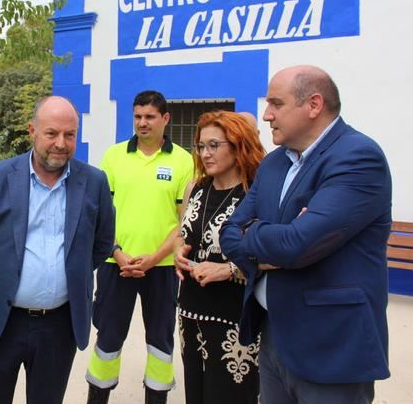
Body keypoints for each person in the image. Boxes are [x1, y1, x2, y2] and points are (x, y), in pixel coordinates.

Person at [220, 65, 392, 404]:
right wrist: (278, 240)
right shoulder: (274, 164)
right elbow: (229, 233)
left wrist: (260, 234)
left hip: (330, 346)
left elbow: (296, 245)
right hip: (272, 336)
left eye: (276, 103)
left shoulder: (357, 157)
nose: (266, 115)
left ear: (313, 105)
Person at [0, 95, 115, 404]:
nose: (61, 143)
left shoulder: (94, 182)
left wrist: (67, 275)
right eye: (52, 133)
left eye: (69, 134)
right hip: (1, 322)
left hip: (58, 327)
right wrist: (3, 274)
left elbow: (101, 245)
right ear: (32, 130)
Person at [86, 90, 194, 404]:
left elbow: (183, 219)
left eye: (149, 116)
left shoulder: (183, 160)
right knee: (107, 339)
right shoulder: (114, 156)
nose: (142, 123)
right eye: (137, 116)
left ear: (165, 119)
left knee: (160, 342)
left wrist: (155, 258)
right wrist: (117, 253)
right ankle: (97, 397)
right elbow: (101, 213)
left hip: (161, 269)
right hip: (114, 264)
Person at [173, 111, 266, 404]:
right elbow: (182, 232)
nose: (205, 153)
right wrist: (178, 250)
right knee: (197, 395)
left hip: (234, 318)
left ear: (238, 146)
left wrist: (229, 269)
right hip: (189, 312)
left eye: (215, 145)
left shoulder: (256, 194)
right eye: (201, 146)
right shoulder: (196, 188)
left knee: (232, 396)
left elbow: (273, 255)